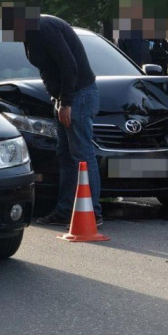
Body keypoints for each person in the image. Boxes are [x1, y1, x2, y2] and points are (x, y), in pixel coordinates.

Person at [23, 14, 102, 227]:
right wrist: (57, 99)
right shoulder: (29, 34)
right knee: (66, 155)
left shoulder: (44, 28)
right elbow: (47, 69)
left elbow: (69, 65)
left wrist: (66, 102)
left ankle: (92, 213)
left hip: (79, 96)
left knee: (82, 155)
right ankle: (66, 210)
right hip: (66, 97)